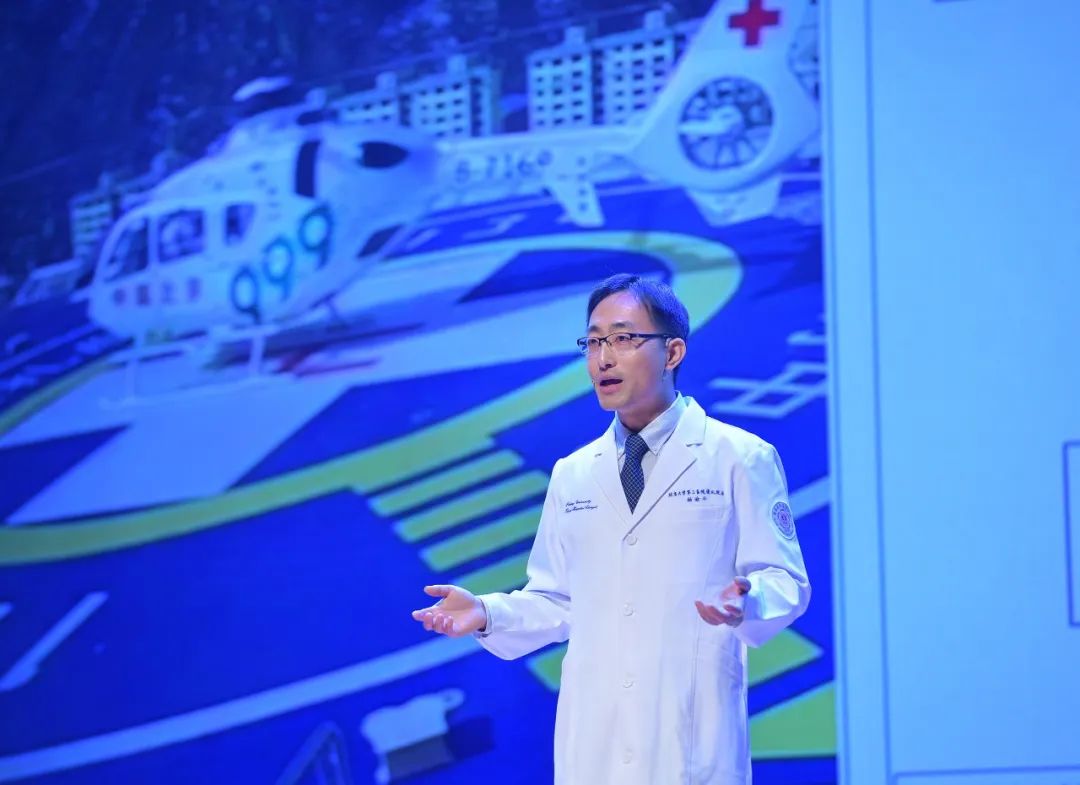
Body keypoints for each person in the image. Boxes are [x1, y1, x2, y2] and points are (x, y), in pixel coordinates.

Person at [411, 274, 811, 785]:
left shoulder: (739, 457)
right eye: (594, 341)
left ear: (672, 353)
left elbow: (785, 580)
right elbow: (557, 600)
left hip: (691, 743)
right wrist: (488, 613)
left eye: (622, 339)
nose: (603, 358)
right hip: (593, 749)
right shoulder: (573, 473)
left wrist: (747, 601)